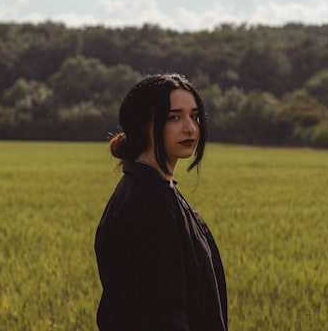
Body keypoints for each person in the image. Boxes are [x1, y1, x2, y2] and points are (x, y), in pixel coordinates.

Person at [94, 73, 228, 331]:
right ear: (143, 124)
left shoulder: (157, 190)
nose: (190, 128)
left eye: (195, 116)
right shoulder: (149, 204)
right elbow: (162, 315)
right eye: (174, 117)